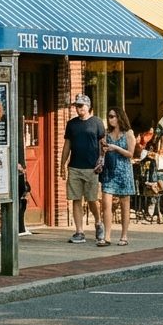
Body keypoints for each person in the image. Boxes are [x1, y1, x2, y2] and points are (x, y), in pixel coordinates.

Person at [59, 94, 106, 244]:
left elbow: (102, 144)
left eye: (81, 106)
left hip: (92, 168)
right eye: (76, 106)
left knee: (92, 199)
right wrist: (62, 164)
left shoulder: (97, 122)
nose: (78, 109)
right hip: (74, 166)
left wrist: (101, 160)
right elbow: (67, 145)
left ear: (88, 106)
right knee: (75, 199)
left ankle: (98, 222)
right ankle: (79, 231)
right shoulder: (71, 124)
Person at [99, 107, 136, 246]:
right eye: (109, 116)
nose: (110, 119)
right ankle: (107, 236)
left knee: (124, 204)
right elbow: (102, 151)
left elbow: (131, 154)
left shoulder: (128, 133)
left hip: (124, 171)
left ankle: (124, 236)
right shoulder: (106, 134)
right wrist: (103, 149)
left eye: (113, 116)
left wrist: (115, 148)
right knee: (106, 204)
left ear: (120, 117)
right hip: (109, 170)